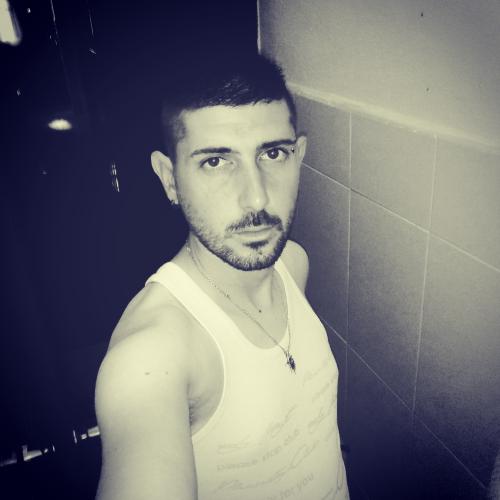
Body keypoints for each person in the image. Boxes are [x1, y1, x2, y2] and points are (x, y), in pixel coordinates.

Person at [94, 53, 349, 500]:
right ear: (170, 179)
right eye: (215, 161)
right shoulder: (149, 356)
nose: (256, 198)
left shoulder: (293, 265)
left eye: (273, 153)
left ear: (300, 156)